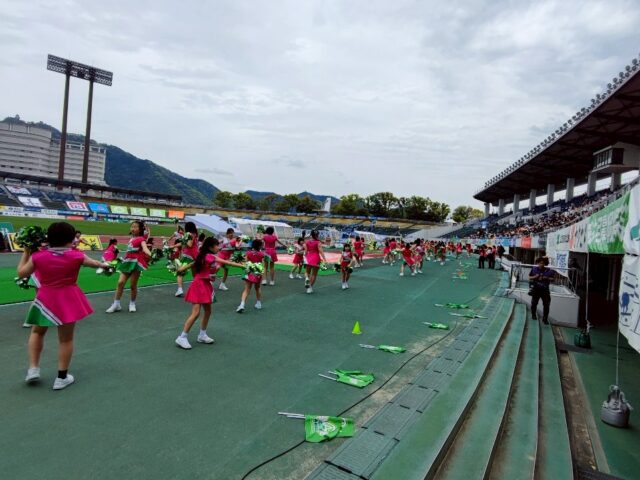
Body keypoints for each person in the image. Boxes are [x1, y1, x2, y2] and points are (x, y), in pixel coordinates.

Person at [18, 222, 110, 389]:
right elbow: (95, 263)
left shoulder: (38, 256)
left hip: (45, 299)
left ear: (49, 238)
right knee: (66, 339)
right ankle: (61, 378)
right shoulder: (77, 256)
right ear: (71, 238)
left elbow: (22, 273)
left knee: (37, 332)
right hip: (68, 299)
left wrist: (26, 252)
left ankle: (33, 369)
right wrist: (105, 265)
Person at [175, 237, 243, 349]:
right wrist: (243, 266)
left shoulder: (203, 256)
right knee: (196, 313)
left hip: (205, 284)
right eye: (217, 245)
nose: (219, 247)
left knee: (208, 311)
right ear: (211, 247)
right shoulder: (209, 257)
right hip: (199, 285)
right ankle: (182, 337)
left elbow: (193, 264)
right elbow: (226, 262)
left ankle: (202, 335)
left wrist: (181, 269)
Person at [106, 220, 152, 313]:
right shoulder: (131, 238)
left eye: (135, 227)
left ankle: (132, 303)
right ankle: (116, 304)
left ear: (140, 229)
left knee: (133, 285)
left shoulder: (141, 239)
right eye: (132, 227)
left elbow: (145, 248)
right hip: (127, 261)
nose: (133, 228)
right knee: (120, 282)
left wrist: (150, 254)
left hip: (136, 263)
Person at [237, 239, 265, 312]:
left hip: (249, 273)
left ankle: (242, 305)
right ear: (259, 246)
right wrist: (262, 275)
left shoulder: (248, 253)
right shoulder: (262, 254)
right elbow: (262, 265)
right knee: (257, 288)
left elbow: (245, 263)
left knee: (247, 289)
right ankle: (258, 303)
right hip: (258, 274)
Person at [175, 222, 199, 297]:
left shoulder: (189, 234)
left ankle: (180, 289)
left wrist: (183, 239)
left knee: (179, 272)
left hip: (188, 256)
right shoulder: (195, 234)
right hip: (195, 255)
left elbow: (189, 244)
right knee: (195, 274)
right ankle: (198, 288)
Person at [529, 257, 555, 324]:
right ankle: (533, 315)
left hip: (545, 290)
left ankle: (545, 318)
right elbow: (529, 277)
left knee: (546, 305)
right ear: (538, 263)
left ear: (545, 264)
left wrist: (547, 278)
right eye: (540, 263)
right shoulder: (534, 269)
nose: (541, 264)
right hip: (536, 289)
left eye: (543, 263)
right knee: (534, 303)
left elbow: (553, 279)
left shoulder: (549, 271)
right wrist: (535, 277)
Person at [304, 230, 327, 294]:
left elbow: (306, 252)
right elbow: (321, 251)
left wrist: (305, 258)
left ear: (311, 235)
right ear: (317, 235)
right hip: (316, 258)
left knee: (307, 272)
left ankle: (306, 278)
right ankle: (309, 288)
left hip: (308, 258)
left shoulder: (307, 242)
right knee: (314, 274)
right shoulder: (318, 242)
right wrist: (324, 259)